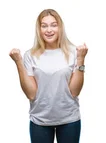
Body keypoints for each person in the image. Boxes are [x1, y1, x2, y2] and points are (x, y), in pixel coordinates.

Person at [9, 8, 88, 143]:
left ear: (60, 28)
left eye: (53, 25)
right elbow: (31, 94)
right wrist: (18, 62)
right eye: (44, 26)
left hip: (69, 119)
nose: (49, 30)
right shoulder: (30, 55)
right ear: (39, 30)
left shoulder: (74, 52)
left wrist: (81, 59)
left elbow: (75, 92)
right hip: (40, 120)